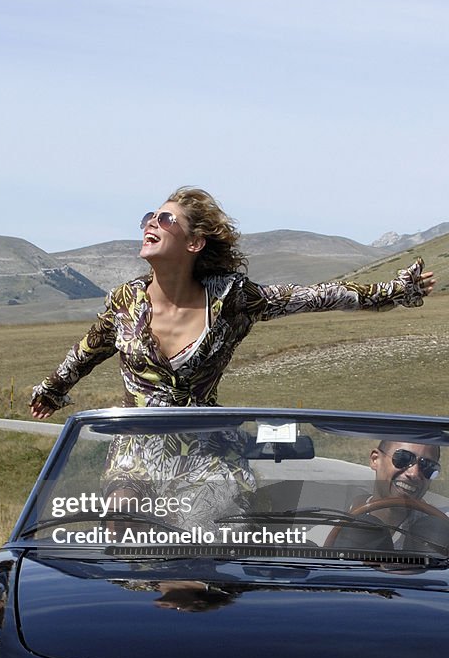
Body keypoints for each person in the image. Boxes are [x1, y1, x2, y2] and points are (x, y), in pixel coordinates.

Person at [30, 186, 437, 416]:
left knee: (218, 542)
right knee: (120, 539)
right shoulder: (126, 301)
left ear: (194, 242)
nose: (152, 222)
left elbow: (317, 296)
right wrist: (52, 390)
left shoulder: (231, 299)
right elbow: (87, 351)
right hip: (133, 463)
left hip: (206, 456)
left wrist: (398, 292)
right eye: (149, 217)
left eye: (166, 219)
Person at [333, 440, 448, 554]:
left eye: (428, 466)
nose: (414, 473)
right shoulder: (328, 530)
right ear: (375, 459)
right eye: (403, 458)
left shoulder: (444, 532)